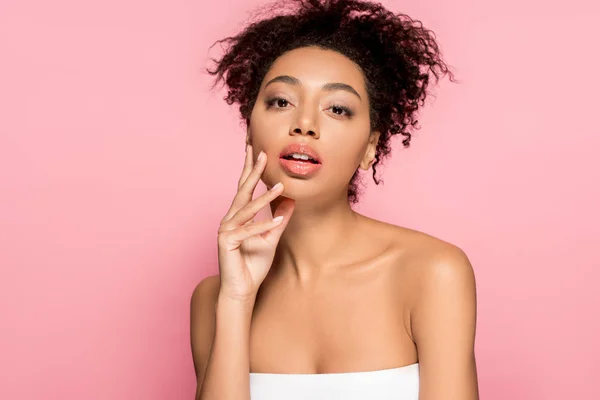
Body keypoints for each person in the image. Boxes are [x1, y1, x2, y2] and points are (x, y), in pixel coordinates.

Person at [190, 0, 479, 399]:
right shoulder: (215, 299)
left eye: (338, 109)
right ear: (250, 129)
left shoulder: (432, 272)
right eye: (280, 101)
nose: (304, 124)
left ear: (370, 148)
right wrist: (237, 300)